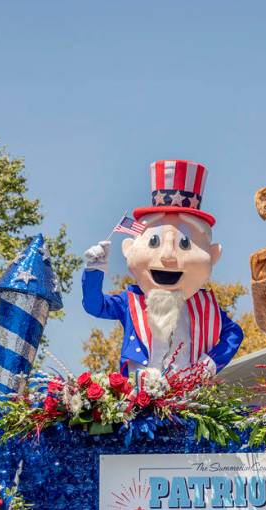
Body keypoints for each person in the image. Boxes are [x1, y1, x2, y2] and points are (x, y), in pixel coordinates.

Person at [82, 159, 243, 376]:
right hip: (142, 400)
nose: (167, 256)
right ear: (129, 248)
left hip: (187, 399)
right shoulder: (131, 303)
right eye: (154, 242)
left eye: (185, 243)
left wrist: (208, 365)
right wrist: (95, 270)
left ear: (213, 255)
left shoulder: (206, 307)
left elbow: (234, 333)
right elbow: (95, 305)